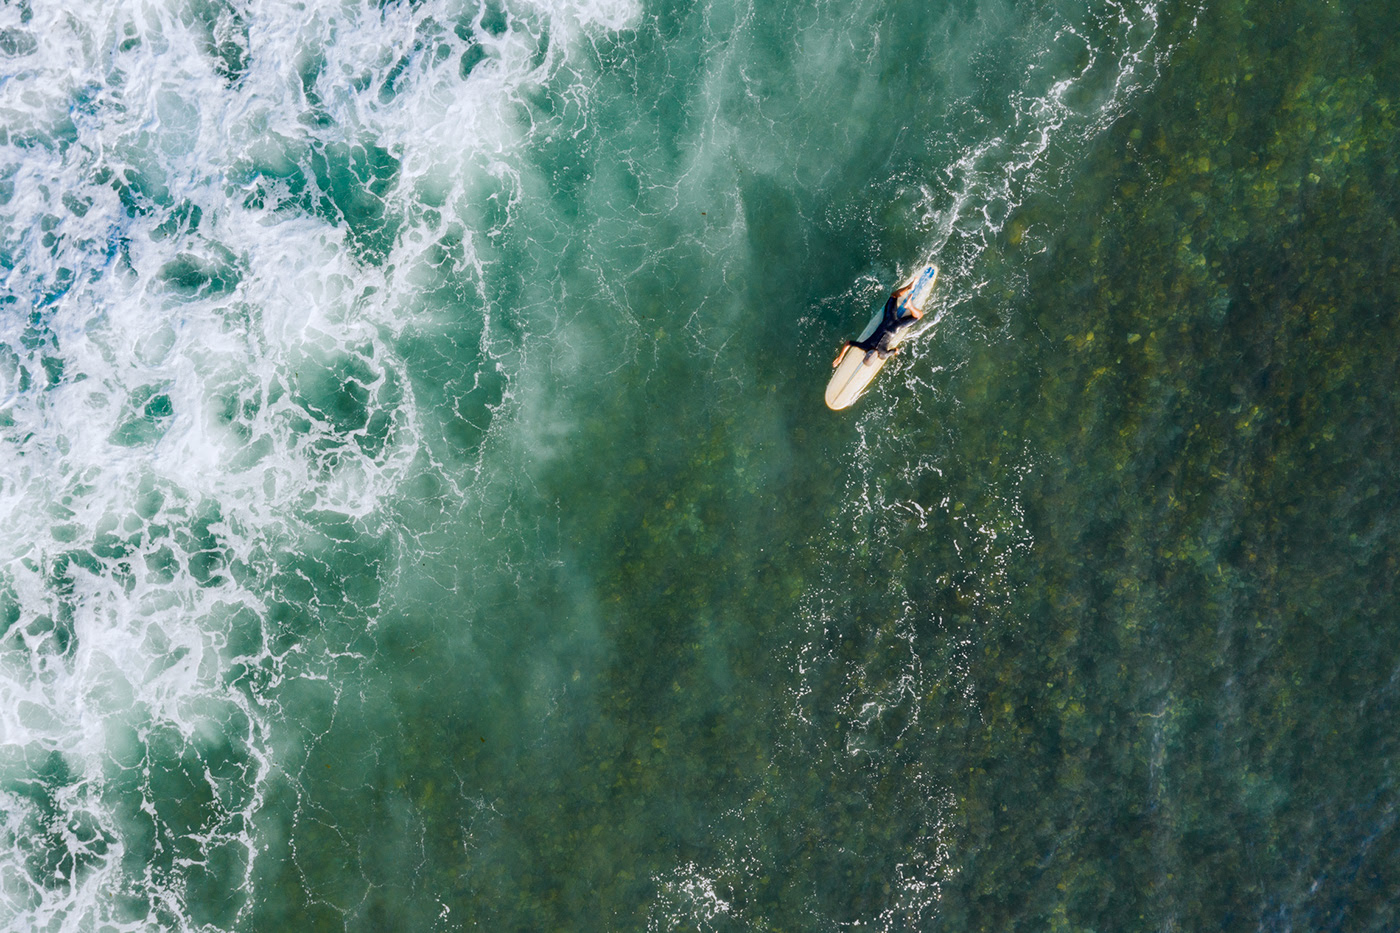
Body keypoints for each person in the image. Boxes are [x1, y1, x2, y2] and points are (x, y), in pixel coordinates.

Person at [832, 281, 922, 368]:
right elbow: (848, 343)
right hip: (887, 320)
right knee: (894, 295)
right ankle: (909, 289)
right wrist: (840, 358)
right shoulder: (864, 346)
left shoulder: (883, 355)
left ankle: (910, 306)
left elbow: (896, 350)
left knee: (918, 316)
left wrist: (895, 353)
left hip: (895, 328)